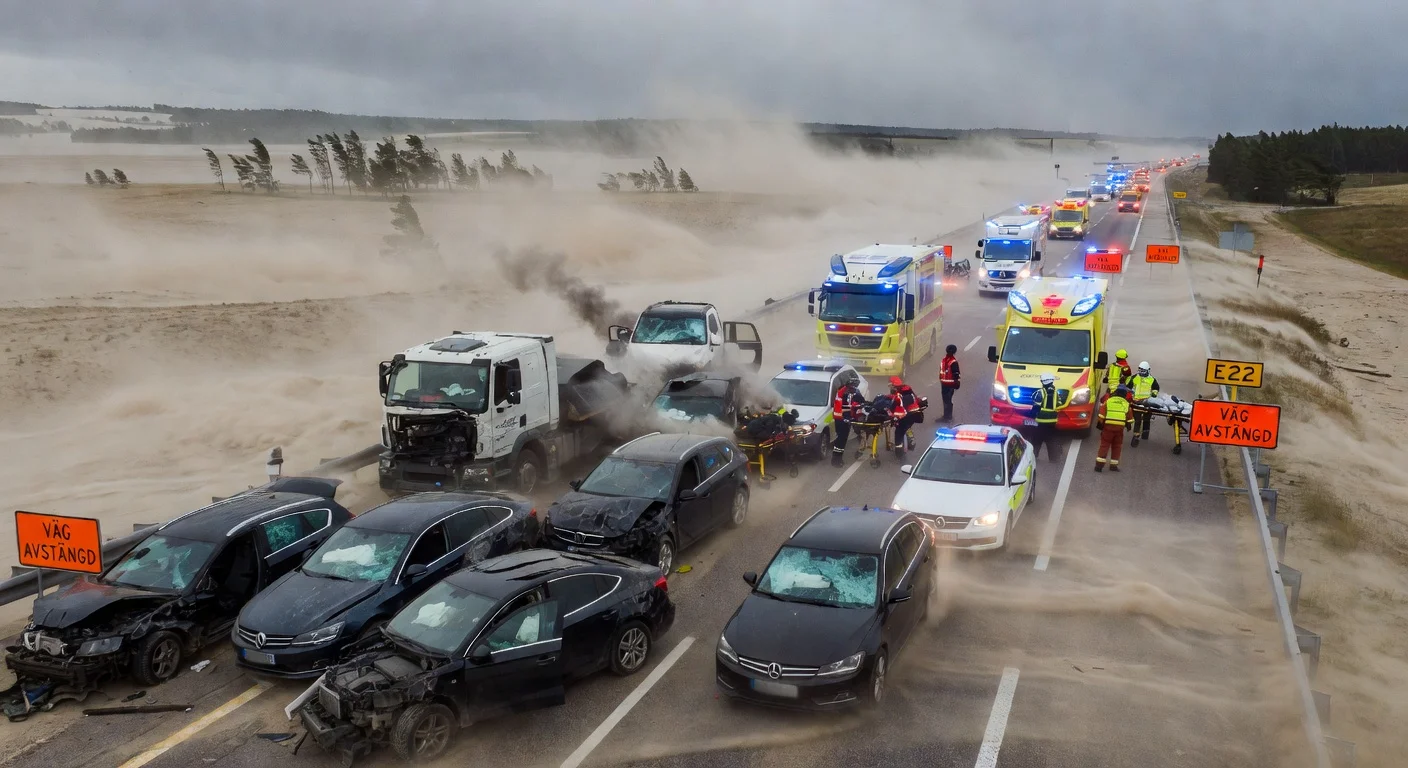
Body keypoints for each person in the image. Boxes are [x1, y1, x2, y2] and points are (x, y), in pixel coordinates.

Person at [1095, 385, 1132, 472]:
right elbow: (1130, 419)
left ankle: (1099, 466)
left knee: (1104, 445)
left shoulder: (1108, 401)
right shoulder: (1126, 404)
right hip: (1119, 429)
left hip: (1108, 428)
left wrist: (1100, 425)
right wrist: (1128, 426)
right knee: (1117, 446)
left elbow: (1101, 415)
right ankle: (1113, 466)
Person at [1027, 372, 1062, 463]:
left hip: (1041, 421)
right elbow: (1059, 404)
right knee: (1050, 440)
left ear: (1042, 382)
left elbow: (1036, 406)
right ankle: (1054, 458)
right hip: (1052, 421)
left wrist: (1030, 414)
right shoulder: (1056, 393)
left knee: (1037, 439)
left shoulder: (1040, 393)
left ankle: (1034, 456)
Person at [830, 378, 864, 467]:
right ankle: (836, 459)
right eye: (853, 386)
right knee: (840, 439)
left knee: (843, 439)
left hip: (846, 418)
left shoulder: (852, 392)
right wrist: (846, 418)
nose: (855, 388)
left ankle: (838, 457)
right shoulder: (843, 392)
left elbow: (859, 400)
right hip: (841, 419)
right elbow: (842, 407)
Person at [888, 376, 922, 459]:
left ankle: (899, 452)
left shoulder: (900, 396)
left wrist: (891, 415)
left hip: (907, 416)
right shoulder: (908, 390)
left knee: (898, 432)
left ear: (894, 386)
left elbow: (898, 407)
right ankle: (911, 441)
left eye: (891, 386)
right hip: (914, 414)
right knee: (907, 427)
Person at [1128, 361, 1160, 446]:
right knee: (1137, 420)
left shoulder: (1152, 380)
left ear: (1148, 370)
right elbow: (1128, 387)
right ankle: (1136, 436)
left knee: (1146, 419)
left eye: (1143, 371)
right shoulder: (1134, 378)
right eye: (1140, 370)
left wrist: (1154, 394)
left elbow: (1156, 388)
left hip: (1147, 402)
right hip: (1136, 402)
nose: (1141, 372)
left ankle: (1145, 433)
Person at [939, 344, 961, 422]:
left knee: (947, 401)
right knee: (946, 400)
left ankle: (948, 417)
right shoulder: (949, 361)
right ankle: (946, 416)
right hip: (946, 384)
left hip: (948, 385)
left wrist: (956, 383)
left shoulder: (946, 360)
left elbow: (955, 374)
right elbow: (956, 374)